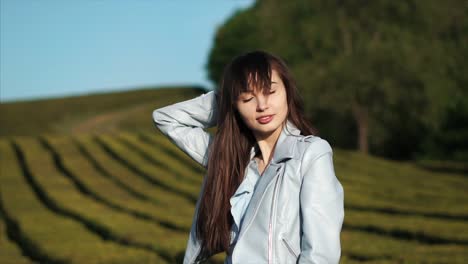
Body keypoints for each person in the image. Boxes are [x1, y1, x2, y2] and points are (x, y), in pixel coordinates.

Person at [152, 50, 344, 264]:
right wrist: (227, 99)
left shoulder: (310, 154)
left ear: (287, 92)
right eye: (248, 98)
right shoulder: (229, 159)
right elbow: (166, 119)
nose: (262, 106)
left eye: (270, 91)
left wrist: (239, 96)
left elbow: (321, 254)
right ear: (235, 105)